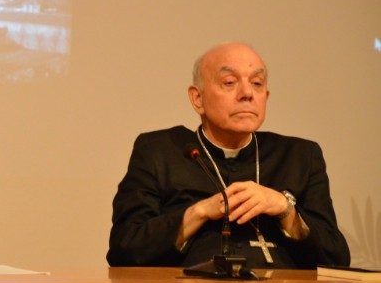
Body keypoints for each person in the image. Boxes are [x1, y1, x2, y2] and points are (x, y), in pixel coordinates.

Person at [107, 42, 350, 269]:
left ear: (266, 96)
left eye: (257, 84)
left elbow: (336, 259)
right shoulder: (159, 151)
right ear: (197, 98)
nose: (247, 93)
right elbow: (124, 249)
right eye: (229, 82)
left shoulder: (300, 157)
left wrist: (284, 209)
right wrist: (200, 212)